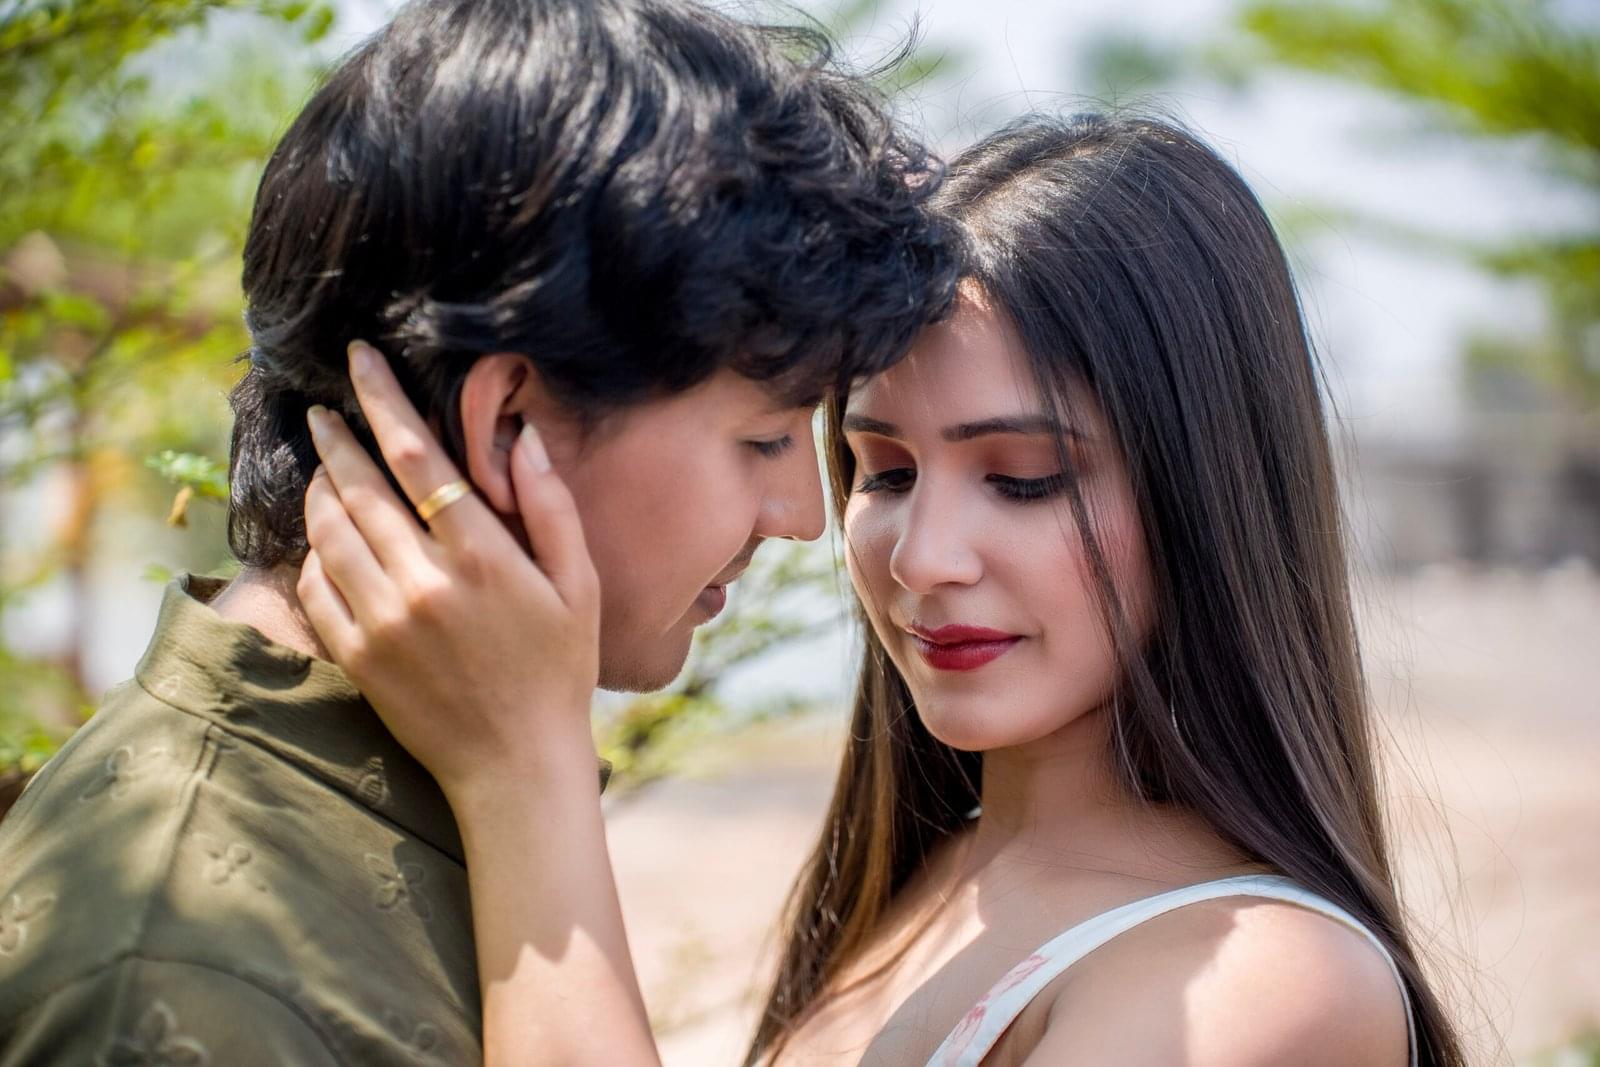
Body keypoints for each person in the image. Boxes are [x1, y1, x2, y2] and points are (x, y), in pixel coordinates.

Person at [298, 113, 1470, 1065]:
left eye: (1023, 478)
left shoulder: (1270, 980)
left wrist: (526, 771)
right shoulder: (923, 880)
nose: (921, 557)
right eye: (885, 470)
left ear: (1205, 494)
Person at [0, 0, 958, 1060]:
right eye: (767, 439)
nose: (802, 518)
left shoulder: (427, 778)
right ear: (507, 424)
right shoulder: (187, 977)